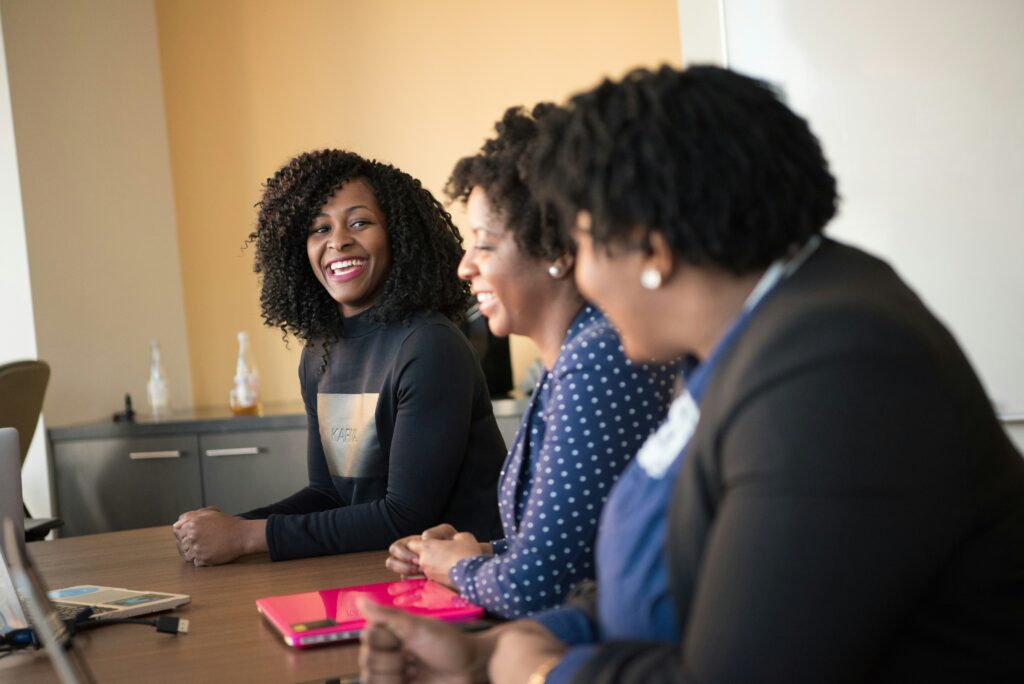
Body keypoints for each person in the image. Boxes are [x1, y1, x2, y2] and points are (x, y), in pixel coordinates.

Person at [357, 66, 1024, 682]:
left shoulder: (837, 364)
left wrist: (542, 673)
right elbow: (672, 579)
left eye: (583, 245)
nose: (582, 278)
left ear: (651, 248)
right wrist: (490, 650)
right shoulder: (755, 337)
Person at [384, 105, 678, 618]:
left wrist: (457, 569)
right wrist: (474, 554)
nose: (465, 265)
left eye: (485, 245)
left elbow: (536, 589)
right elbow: (573, 552)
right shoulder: (573, 356)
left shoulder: (598, 359)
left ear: (556, 250)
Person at [173, 150, 506, 565]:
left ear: (398, 235)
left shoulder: (429, 345)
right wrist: (231, 526)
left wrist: (245, 536)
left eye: (360, 222)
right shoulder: (320, 352)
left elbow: (403, 515)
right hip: (372, 568)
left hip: (464, 582)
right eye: (319, 228)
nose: (338, 240)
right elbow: (329, 494)